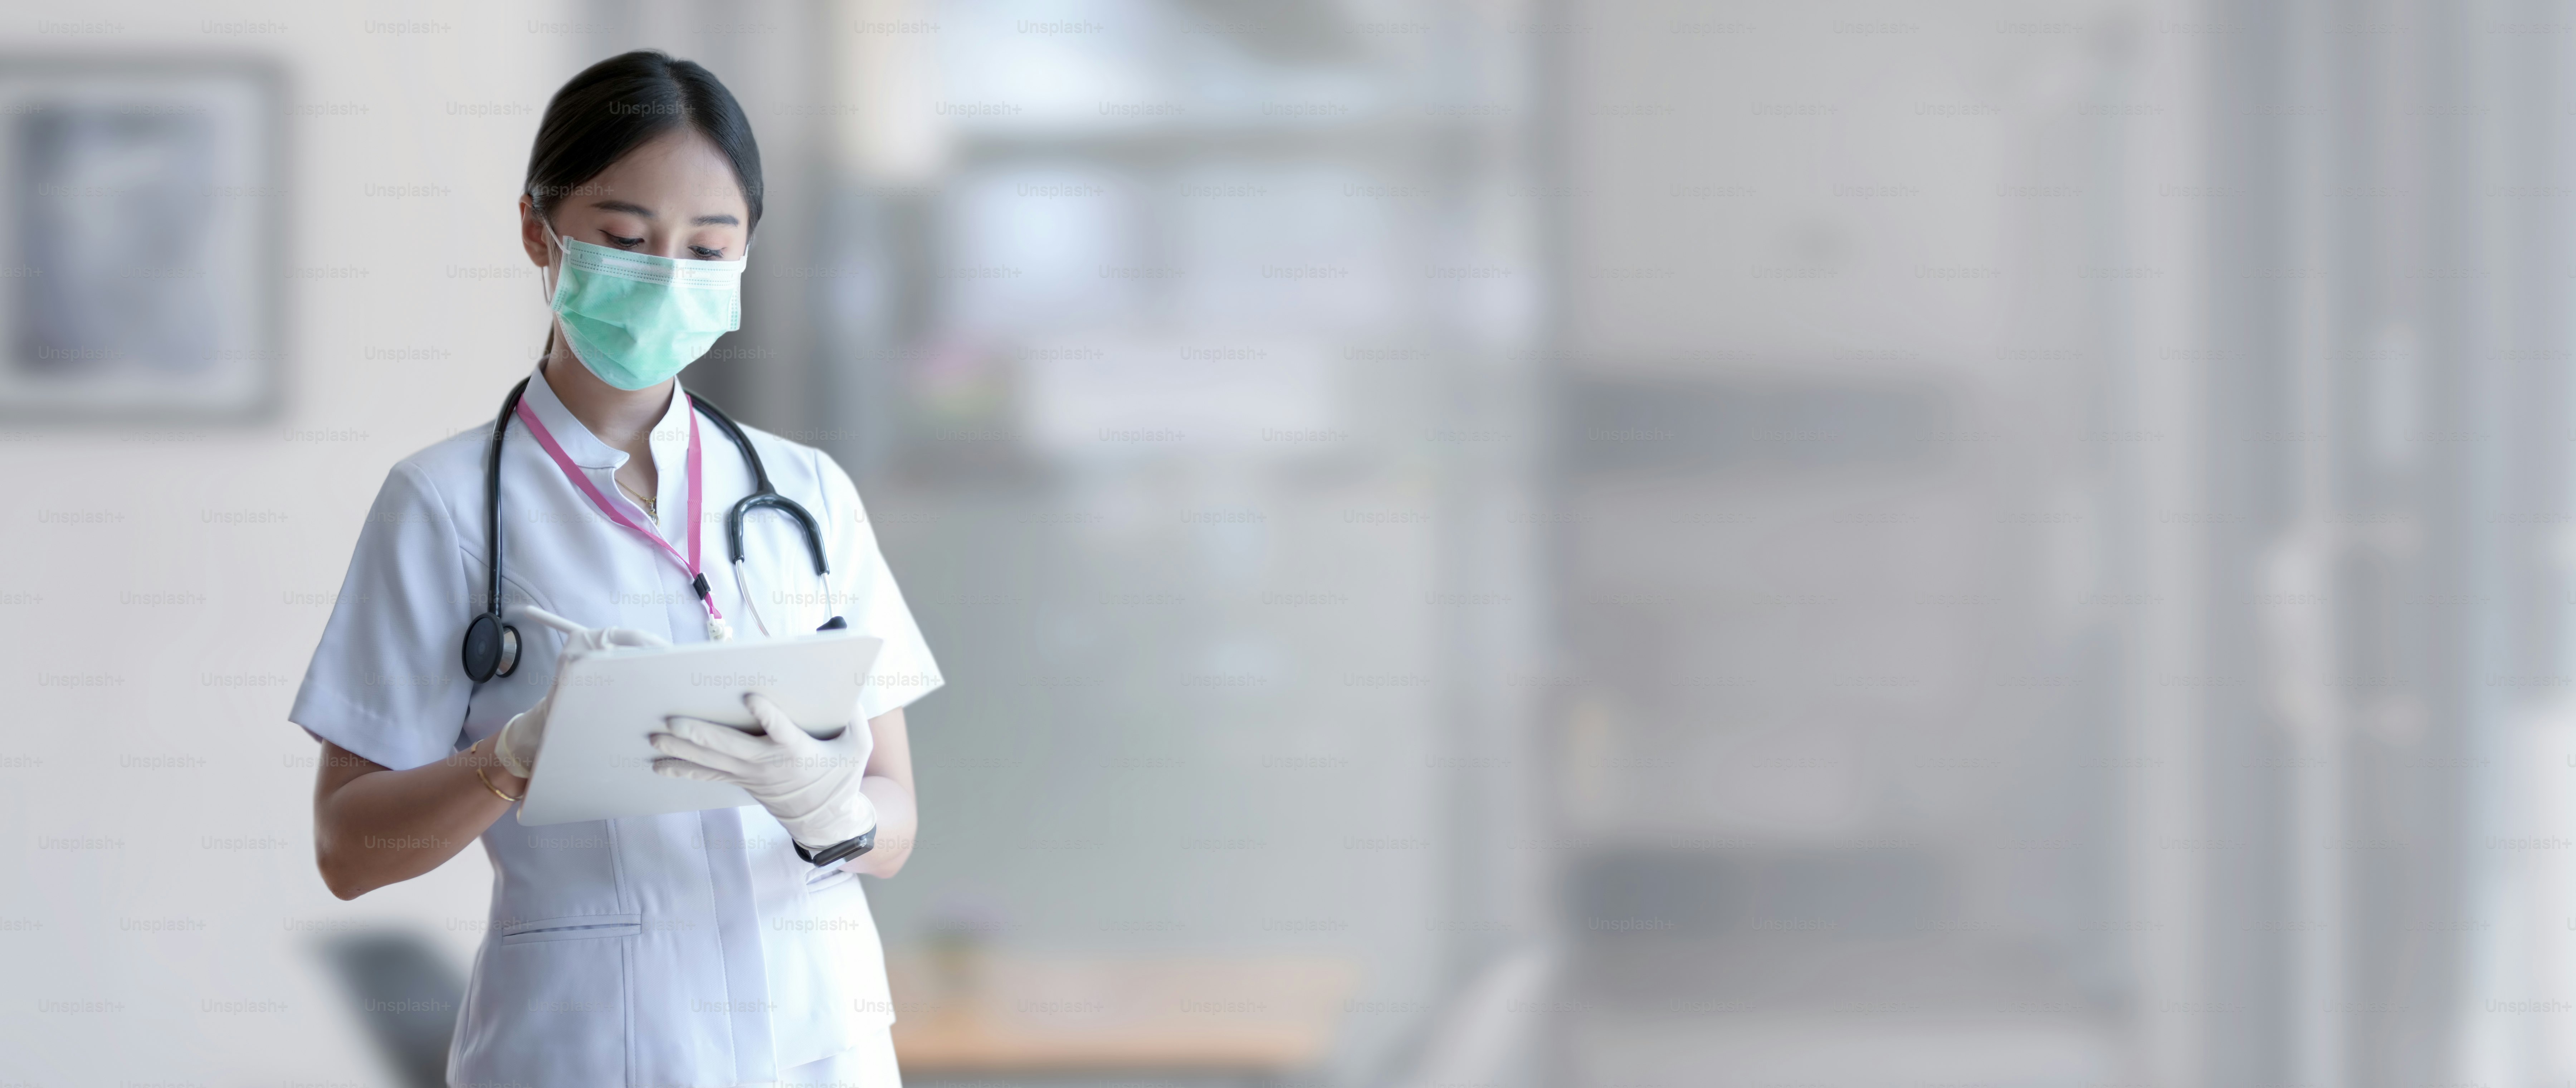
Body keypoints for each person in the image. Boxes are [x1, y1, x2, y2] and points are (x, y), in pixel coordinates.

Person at [291, 50, 941, 1088]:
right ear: (536, 231)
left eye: (708, 246)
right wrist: (507, 758)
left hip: (821, 1045)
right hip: (587, 1049)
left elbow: (894, 821)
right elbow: (347, 850)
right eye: (627, 239)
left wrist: (833, 810)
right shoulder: (445, 505)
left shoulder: (809, 494)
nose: (667, 273)